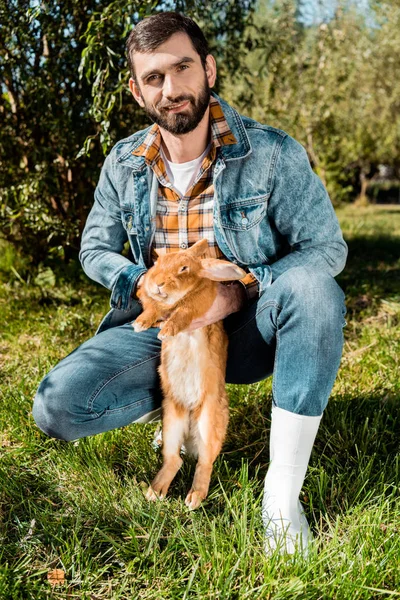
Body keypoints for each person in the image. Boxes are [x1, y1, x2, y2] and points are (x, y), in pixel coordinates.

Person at [32, 12, 347, 555]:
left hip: (249, 330)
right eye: (154, 77)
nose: (171, 89)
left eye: (182, 68)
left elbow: (327, 250)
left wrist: (238, 289)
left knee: (316, 292)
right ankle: (172, 400)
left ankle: (281, 496)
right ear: (136, 90)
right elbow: (93, 249)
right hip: (163, 331)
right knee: (56, 407)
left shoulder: (273, 153)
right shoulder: (124, 163)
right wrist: (140, 281)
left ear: (209, 69)